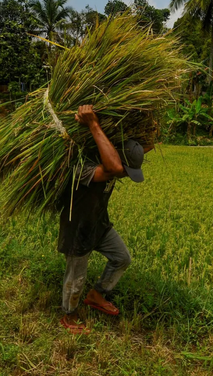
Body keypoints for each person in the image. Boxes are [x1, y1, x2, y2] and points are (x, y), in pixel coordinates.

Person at [58, 104, 151, 334]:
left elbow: (145, 147)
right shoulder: (83, 167)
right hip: (78, 228)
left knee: (122, 258)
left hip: (99, 224)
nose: (124, 174)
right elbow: (113, 166)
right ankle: (69, 315)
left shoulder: (114, 163)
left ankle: (96, 294)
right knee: (76, 278)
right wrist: (93, 124)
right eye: (125, 169)